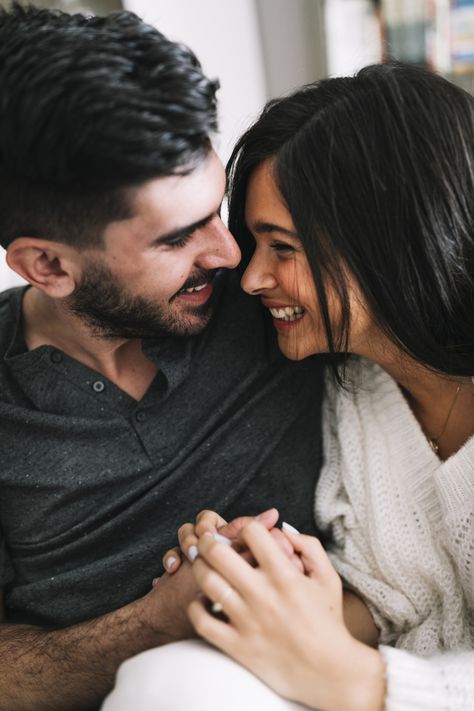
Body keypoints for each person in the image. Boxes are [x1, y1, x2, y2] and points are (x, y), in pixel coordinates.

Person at [102, 63, 474, 711]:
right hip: (382, 673)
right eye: (254, 244)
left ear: (386, 241)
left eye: (282, 247)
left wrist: (364, 684)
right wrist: (276, 585)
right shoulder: (358, 387)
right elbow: (395, 599)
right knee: (162, 680)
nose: (249, 279)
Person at [0, 4, 326, 709]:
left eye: (219, 208)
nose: (231, 252)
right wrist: (162, 618)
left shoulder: (274, 293)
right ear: (47, 265)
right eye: (178, 238)